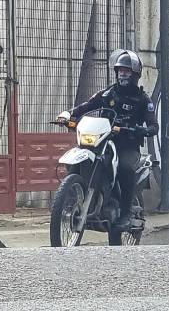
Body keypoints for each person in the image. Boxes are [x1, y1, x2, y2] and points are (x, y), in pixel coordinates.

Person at [60, 49, 158, 229]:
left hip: (127, 145)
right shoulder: (107, 94)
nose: (122, 74)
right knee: (83, 159)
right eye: (120, 70)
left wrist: (139, 129)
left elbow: (153, 126)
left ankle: (126, 212)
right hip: (103, 141)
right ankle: (70, 202)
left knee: (124, 167)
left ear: (135, 74)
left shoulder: (143, 99)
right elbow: (86, 106)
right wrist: (69, 115)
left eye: (126, 71)